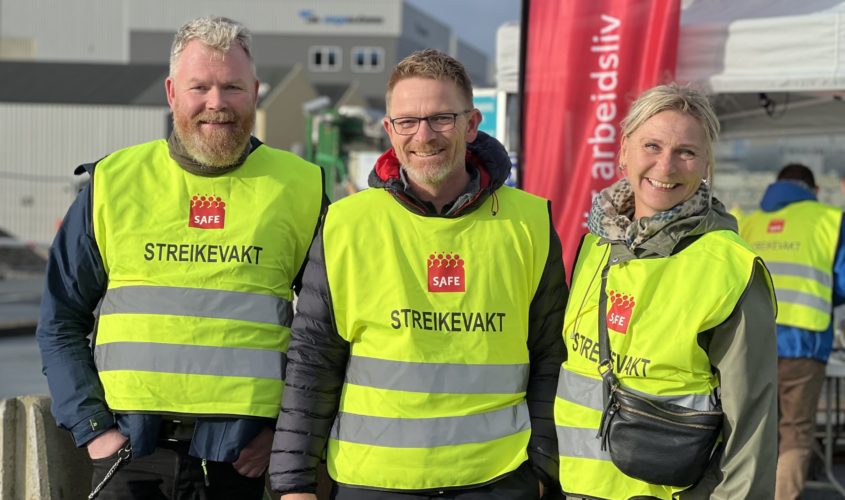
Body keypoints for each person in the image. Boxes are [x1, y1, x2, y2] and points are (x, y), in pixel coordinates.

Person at [35, 16, 325, 499]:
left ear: (255, 92)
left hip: (248, 463)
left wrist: (285, 438)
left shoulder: (300, 188)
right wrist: (95, 431)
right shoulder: (114, 185)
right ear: (172, 92)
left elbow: (325, 337)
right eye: (200, 87)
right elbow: (60, 319)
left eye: (232, 87)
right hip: (131, 458)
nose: (217, 103)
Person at [269, 49, 567, 499]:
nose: (423, 135)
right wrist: (293, 483)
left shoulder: (529, 223)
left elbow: (551, 356)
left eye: (441, 118)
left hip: (496, 481)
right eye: (406, 121)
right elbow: (313, 359)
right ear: (388, 129)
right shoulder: (346, 224)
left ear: (472, 124)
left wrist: (545, 469)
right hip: (372, 483)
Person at [554, 83, 778, 499]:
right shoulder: (595, 244)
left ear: (707, 163)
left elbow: (751, 429)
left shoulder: (731, 268)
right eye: (651, 146)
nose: (666, 166)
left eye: (686, 152)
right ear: (623, 152)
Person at [740, 163, 845, 499]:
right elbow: (841, 283)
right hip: (804, 342)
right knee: (795, 432)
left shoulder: (749, 221)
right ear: (813, 191)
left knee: (755, 431)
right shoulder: (830, 220)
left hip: (751, 343)